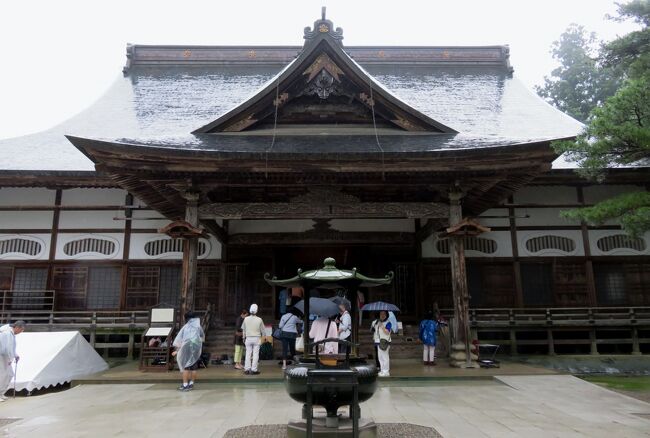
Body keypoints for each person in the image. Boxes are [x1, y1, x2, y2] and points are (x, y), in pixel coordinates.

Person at [172, 312, 205, 391]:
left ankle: (185, 384)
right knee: (194, 367)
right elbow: (202, 337)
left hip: (186, 349)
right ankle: (191, 383)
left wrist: (177, 350)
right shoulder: (198, 327)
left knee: (185, 367)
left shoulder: (185, 327)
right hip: (196, 348)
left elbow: (180, 339)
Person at [0, 321, 25, 400]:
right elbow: (5, 348)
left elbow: (11, 347)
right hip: (2, 356)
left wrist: (15, 355)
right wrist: (10, 358)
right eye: (21, 330)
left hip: (6, 357)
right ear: (17, 327)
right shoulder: (6, 333)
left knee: (9, 374)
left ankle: (1, 393)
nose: (21, 332)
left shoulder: (11, 334)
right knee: (3, 375)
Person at [242, 303, 265, 375]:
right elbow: (263, 331)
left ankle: (247, 369)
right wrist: (264, 337)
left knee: (248, 354)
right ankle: (254, 370)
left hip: (248, 338)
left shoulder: (246, 319)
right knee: (255, 354)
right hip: (256, 338)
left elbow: (244, 330)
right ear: (256, 310)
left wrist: (243, 337)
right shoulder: (259, 319)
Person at [371, 311, 392, 377]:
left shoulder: (388, 323)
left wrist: (382, 326)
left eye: (384, 314)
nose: (382, 315)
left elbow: (387, 332)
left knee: (385, 357)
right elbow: (373, 330)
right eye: (381, 314)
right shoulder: (377, 322)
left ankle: (386, 371)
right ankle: (382, 370)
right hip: (377, 341)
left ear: (386, 315)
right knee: (380, 357)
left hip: (384, 342)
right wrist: (374, 324)